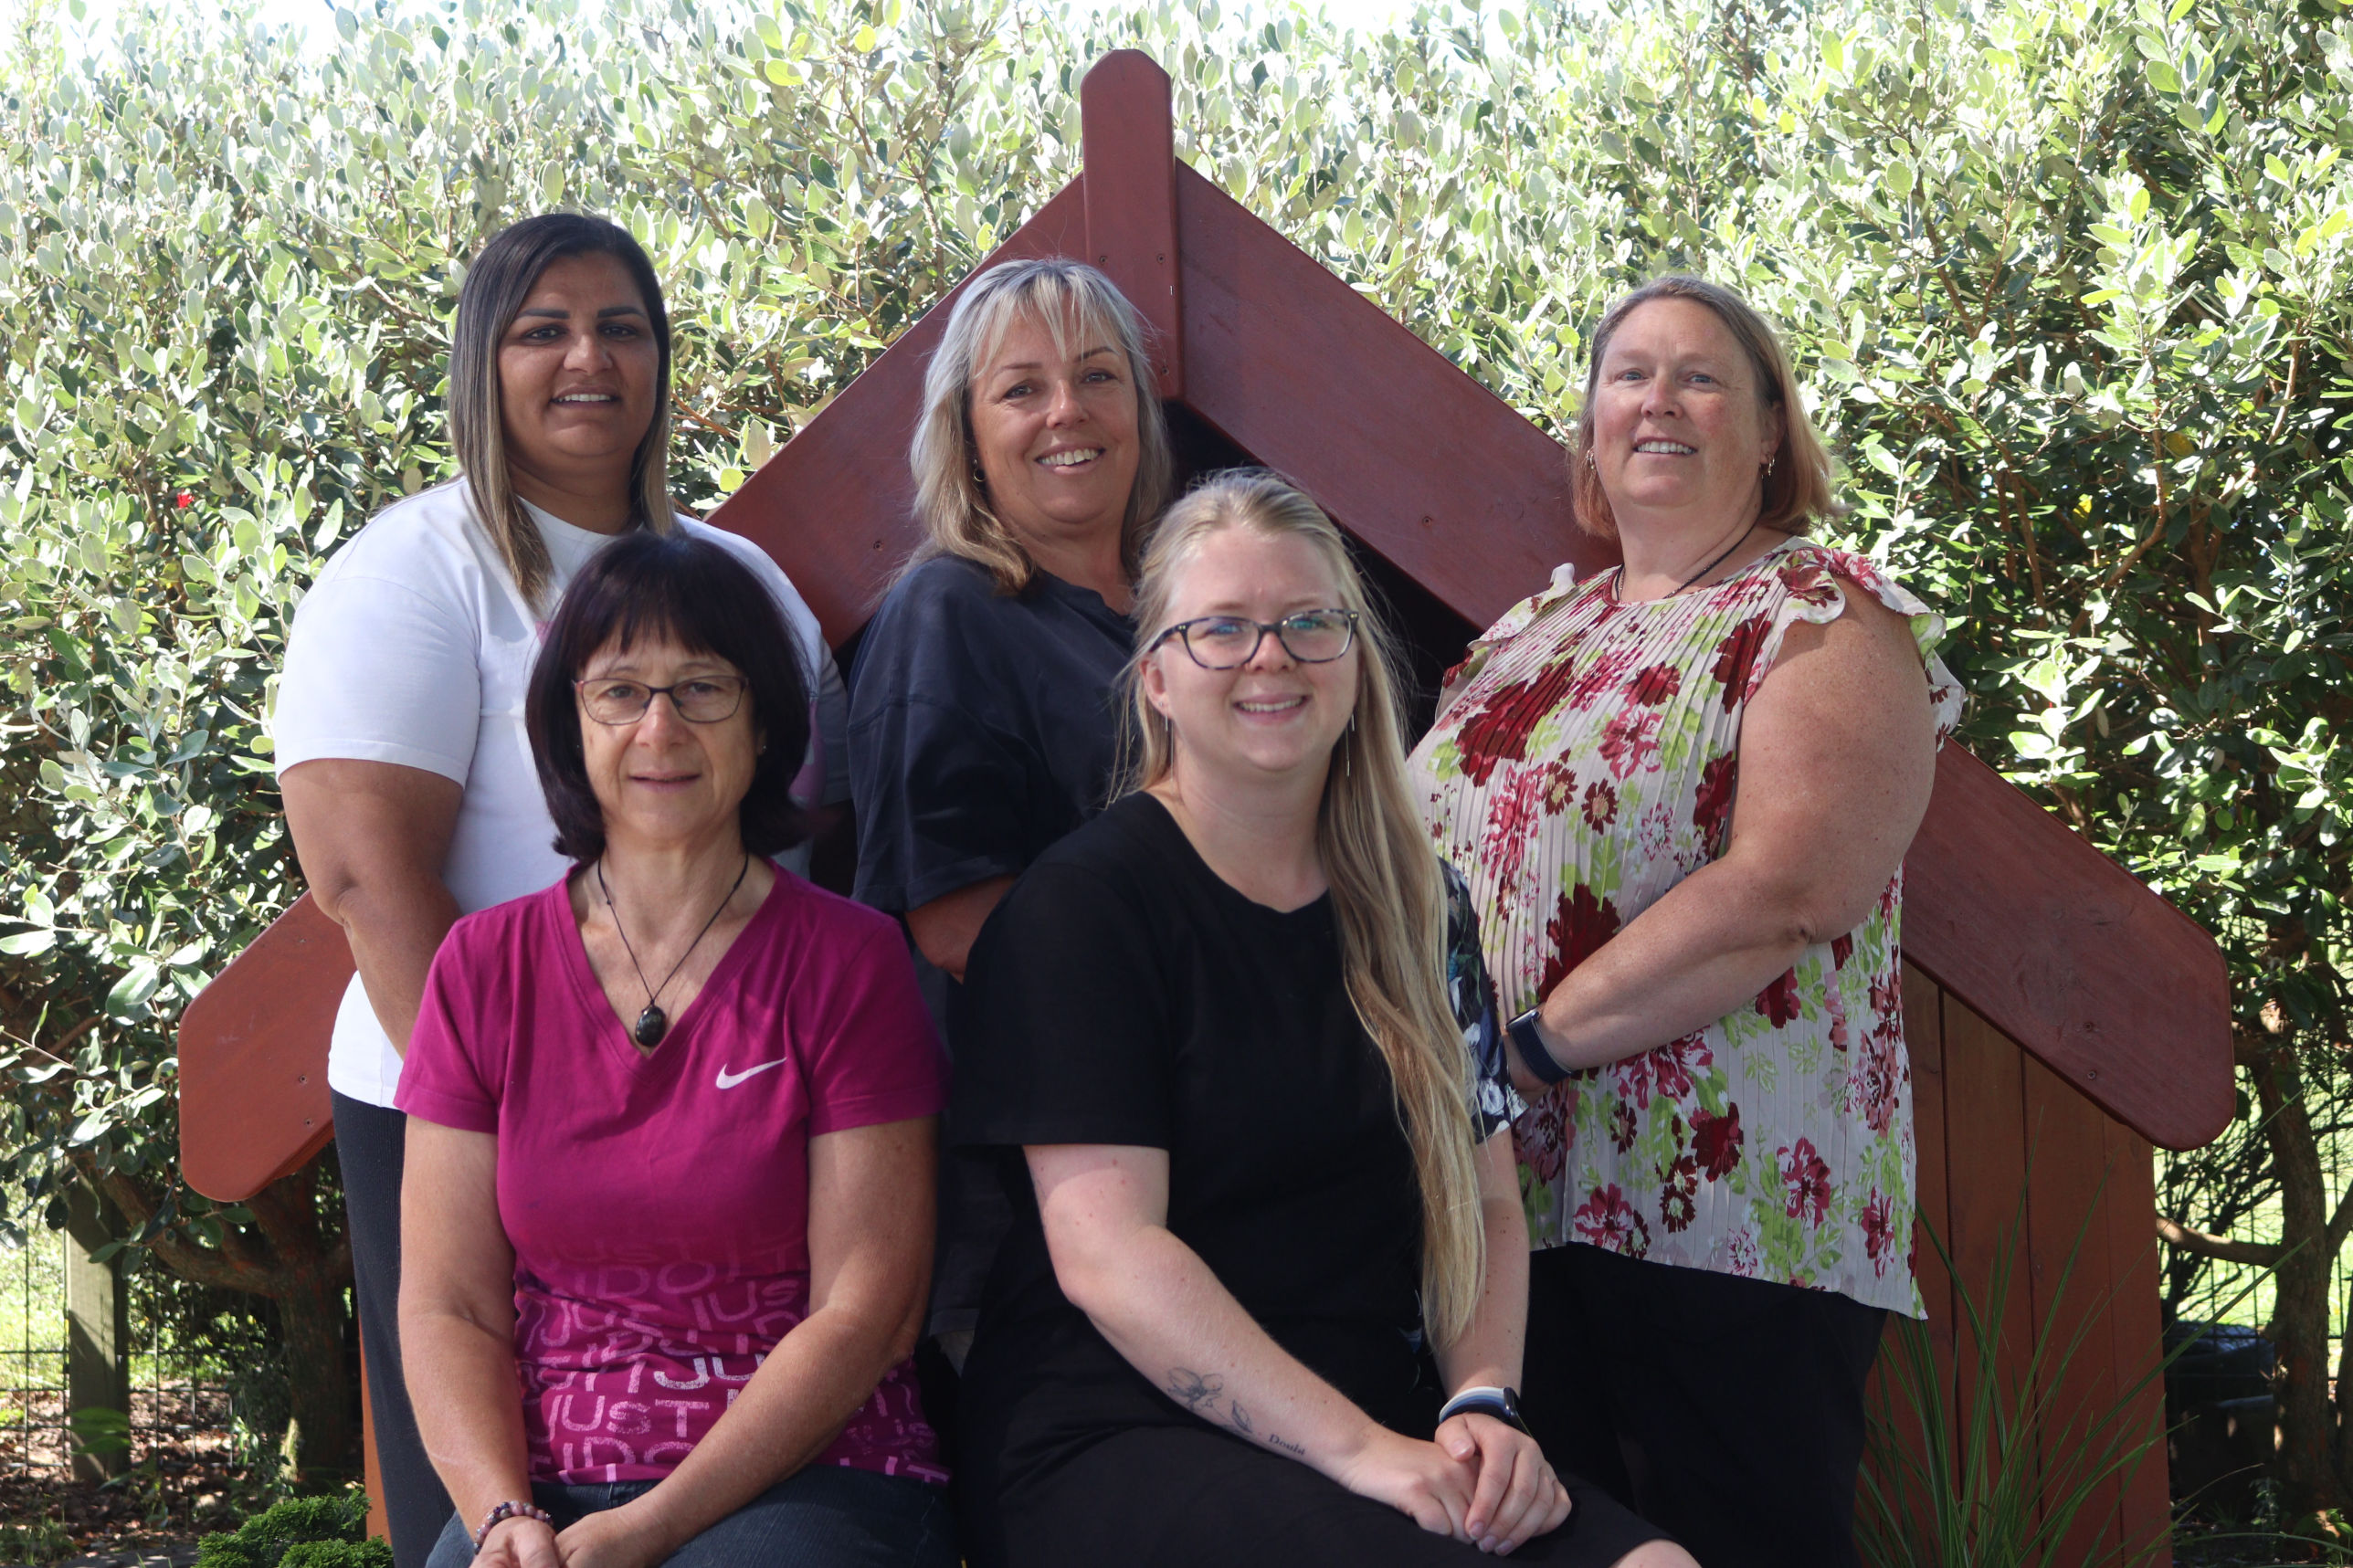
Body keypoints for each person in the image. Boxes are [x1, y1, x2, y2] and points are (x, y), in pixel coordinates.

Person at [951, 471, 1693, 1568]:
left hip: (1378, 1414)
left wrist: (1485, 1401)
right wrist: (1358, 1451)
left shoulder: (1417, 903)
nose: (1271, 656)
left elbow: (1482, 1194)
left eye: (1309, 623)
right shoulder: (1083, 909)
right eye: (1222, 630)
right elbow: (1109, 1257)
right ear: (1154, 675)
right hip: (1115, 1428)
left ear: (1353, 659)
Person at [271, 213, 849, 1566]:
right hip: (459, 1113)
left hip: (731, 1117)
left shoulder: (742, 578)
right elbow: (365, 870)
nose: (587, 356)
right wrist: (517, 1132)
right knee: (494, 1519)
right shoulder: (412, 571)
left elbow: (814, 835)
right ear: (485, 362)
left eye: (621, 326)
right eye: (543, 329)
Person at [1409, 274, 1965, 1568]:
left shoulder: (1824, 615)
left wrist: (1524, 1052)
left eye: (1702, 376)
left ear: (1773, 431)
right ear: (1592, 424)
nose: (1658, 400)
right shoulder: (1530, 633)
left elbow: (1789, 889)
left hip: (1732, 1218)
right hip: (1505, 1211)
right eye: (1629, 373)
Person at [396, 531, 953, 1568]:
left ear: (764, 723)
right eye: (620, 691)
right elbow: (448, 1303)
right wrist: (503, 1516)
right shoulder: (481, 966)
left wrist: (650, 1528)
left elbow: (868, 1309)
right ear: (571, 721)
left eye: (703, 688)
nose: (660, 726)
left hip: (813, 1475)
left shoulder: (848, 960)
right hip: (546, 1488)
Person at [847, 258, 1175, 1360]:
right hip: (1028, 1194)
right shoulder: (951, 611)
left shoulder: (1195, 614)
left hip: (1202, 1151)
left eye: (1096, 377)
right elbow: (953, 925)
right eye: (1020, 388)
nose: (1065, 412)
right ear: (967, 432)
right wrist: (1196, 1027)